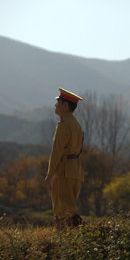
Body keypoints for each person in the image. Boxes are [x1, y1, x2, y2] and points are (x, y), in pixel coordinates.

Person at [45, 87, 85, 228]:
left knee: (62, 209)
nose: (56, 106)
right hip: (76, 170)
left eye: (58, 103)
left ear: (65, 105)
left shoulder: (64, 125)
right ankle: (77, 237)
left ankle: (69, 238)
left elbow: (56, 151)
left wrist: (50, 173)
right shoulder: (76, 125)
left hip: (63, 171)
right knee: (69, 206)